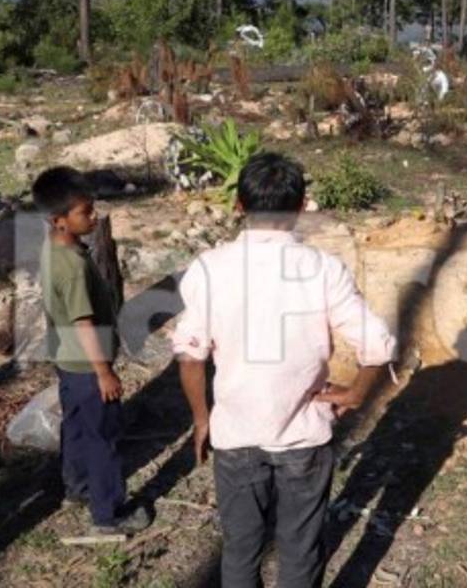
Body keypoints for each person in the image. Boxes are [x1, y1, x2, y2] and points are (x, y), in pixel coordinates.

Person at [173, 152, 397, 588]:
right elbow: (378, 345)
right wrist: (355, 394)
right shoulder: (323, 269)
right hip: (303, 437)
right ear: (300, 207)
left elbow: (190, 357)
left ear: (238, 205)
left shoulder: (209, 269)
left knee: (240, 549)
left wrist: (202, 419)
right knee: (300, 549)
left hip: (235, 435)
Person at [32, 166, 150, 535]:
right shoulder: (72, 268)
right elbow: (84, 323)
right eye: (85, 211)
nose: (94, 216)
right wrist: (104, 372)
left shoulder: (54, 249)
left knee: (78, 428)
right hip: (87, 364)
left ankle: (77, 487)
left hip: (68, 360)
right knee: (104, 439)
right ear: (59, 220)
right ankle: (109, 513)